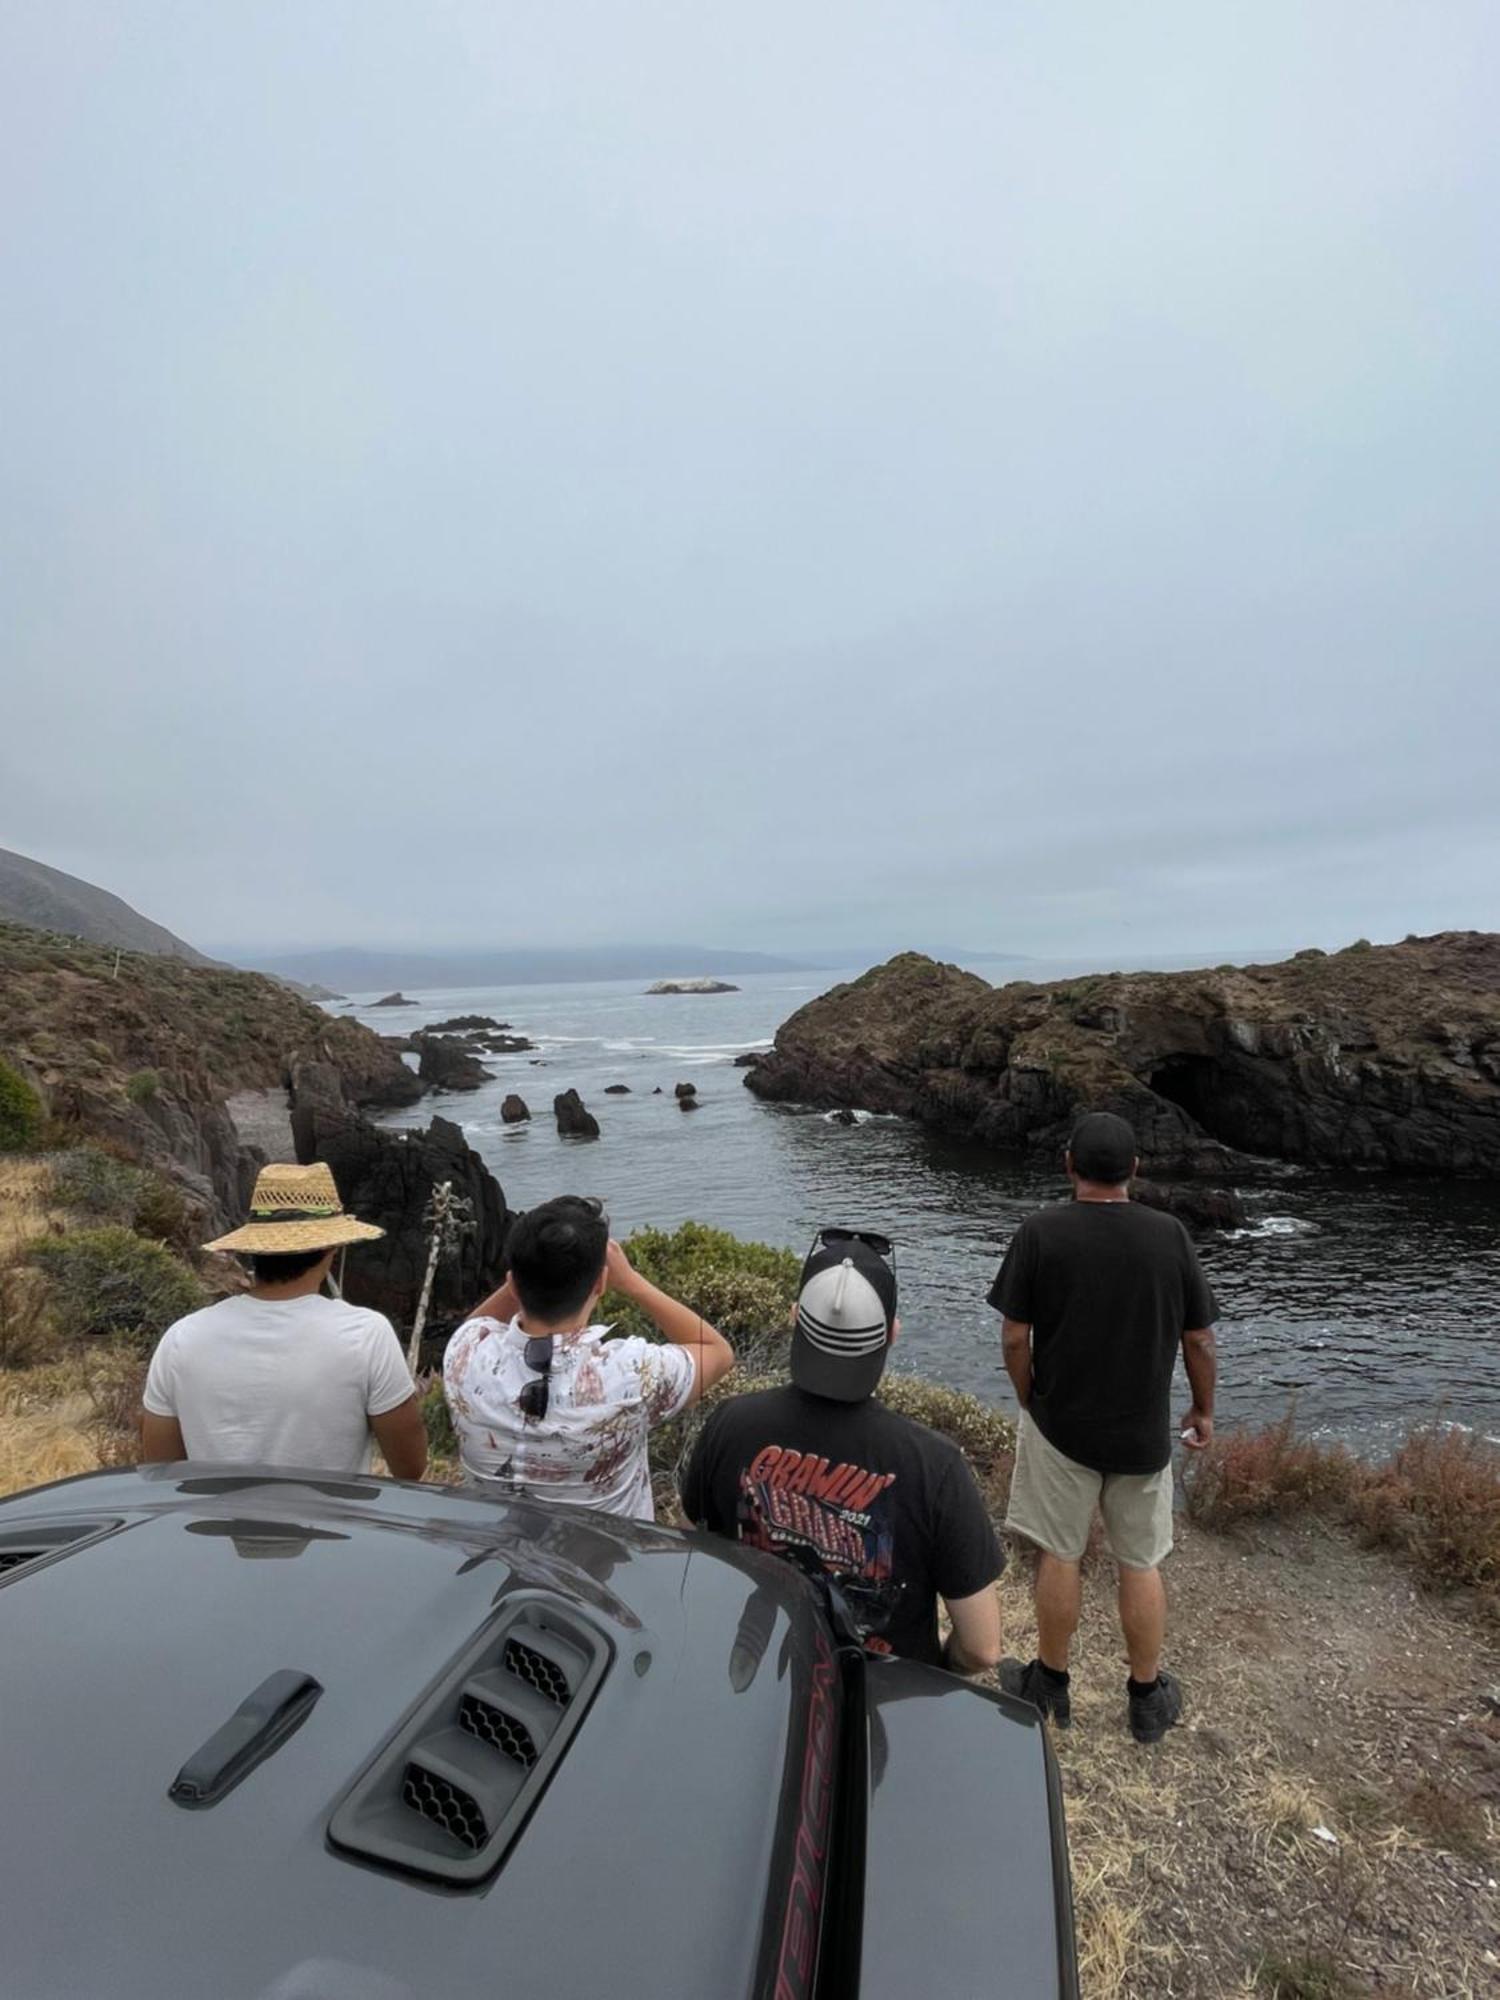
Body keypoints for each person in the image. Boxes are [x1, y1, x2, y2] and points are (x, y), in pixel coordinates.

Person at [988, 1110, 1217, 1743]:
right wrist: (1202, 1410)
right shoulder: (1169, 1236)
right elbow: (1199, 1339)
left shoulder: (1041, 1232)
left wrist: (1029, 1395)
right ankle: (1145, 1697)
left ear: (1069, 1165)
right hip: (1141, 1435)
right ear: (1134, 1171)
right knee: (1139, 1562)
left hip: (1062, 1427)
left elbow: (1014, 1335)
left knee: (1060, 1554)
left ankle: (1050, 1684)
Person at [681, 1228, 1005, 1674]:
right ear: (891, 1334)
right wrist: (934, 1666)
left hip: (754, 1675)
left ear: (795, 1317)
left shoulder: (729, 1422)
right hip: (881, 1697)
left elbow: (688, 1549)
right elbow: (982, 1648)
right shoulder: (936, 1465)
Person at [442, 1196, 734, 1519]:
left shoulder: (465, 1353)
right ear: (601, 1283)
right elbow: (718, 1353)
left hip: (495, 1555)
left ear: (512, 1283)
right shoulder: (631, 1373)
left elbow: (472, 1327)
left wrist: (528, 1276)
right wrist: (633, 1283)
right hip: (604, 1564)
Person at [141, 1162, 428, 1479]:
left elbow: (161, 1472)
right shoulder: (367, 1335)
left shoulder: (182, 1338)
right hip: (330, 1528)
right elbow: (410, 1467)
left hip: (214, 1528)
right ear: (332, 1246)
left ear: (254, 1248)